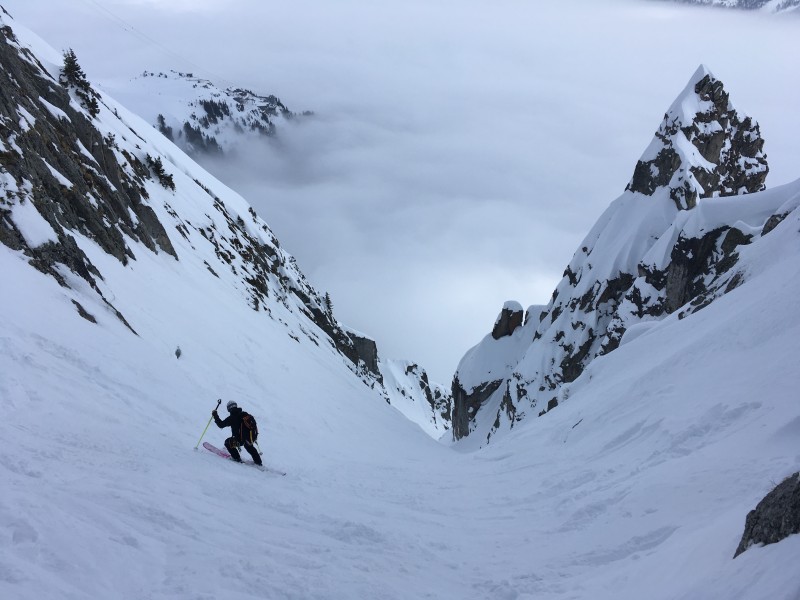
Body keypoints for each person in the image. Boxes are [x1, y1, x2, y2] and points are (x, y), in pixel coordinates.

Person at [212, 400, 262, 466]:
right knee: (249, 447)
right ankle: (258, 463)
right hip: (250, 438)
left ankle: (236, 458)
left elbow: (221, 424)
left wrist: (215, 415)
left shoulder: (232, 417)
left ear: (229, 408)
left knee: (227, 442)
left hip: (240, 439)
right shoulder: (245, 414)